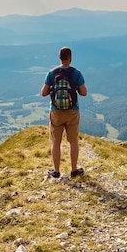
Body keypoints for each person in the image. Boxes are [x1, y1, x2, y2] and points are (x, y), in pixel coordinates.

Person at [41, 46, 87, 178]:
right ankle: (74, 170)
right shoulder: (76, 73)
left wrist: (52, 88)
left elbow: (43, 93)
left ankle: (56, 171)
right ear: (70, 57)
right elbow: (84, 93)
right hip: (72, 111)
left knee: (56, 142)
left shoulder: (52, 73)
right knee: (73, 141)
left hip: (56, 111)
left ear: (59, 57)